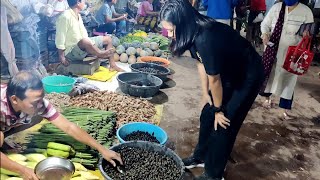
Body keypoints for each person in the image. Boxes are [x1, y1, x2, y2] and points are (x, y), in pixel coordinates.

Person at [160, 0, 265, 179]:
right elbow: (202, 64)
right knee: (206, 114)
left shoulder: (205, 37)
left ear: (183, 24)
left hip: (248, 73)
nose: (169, 35)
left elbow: (215, 80)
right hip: (228, 70)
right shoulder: (191, 32)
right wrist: (205, 94)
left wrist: (218, 109)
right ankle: (200, 156)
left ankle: (214, 174)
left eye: (171, 30)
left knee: (224, 123)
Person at [0, 71, 123, 180]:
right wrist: (22, 170)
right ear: (15, 99)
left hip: (8, 121)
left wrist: (102, 149)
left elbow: (69, 127)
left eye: (41, 99)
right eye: (34, 103)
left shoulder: (38, 104)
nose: (40, 106)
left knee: (37, 117)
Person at [260, 0, 313, 119]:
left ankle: (284, 109)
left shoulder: (306, 11)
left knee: (289, 79)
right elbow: (265, 24)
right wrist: (265, 34)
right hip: (273, 50)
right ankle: (267, 99)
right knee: (270, 75)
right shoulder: (276, 8)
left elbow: (310, 32)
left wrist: (307, 35)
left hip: (292, 54)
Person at [55, 0, 123, 72]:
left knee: (108, 39)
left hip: (82, 47)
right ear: (78, 3)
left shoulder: (77, 15)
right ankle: (101, 54)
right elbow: (60, 37)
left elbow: (84, 36)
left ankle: (113, 65)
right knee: (85, 41)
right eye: (83, 1)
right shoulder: (65, 16)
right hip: (71, 52)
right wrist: (61, 57)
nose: (85, 3)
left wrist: (92, 46)